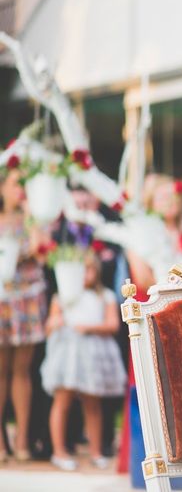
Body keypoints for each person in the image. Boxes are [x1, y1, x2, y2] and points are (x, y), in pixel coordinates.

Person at [40, 253, 125, 471]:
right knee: (62, 402)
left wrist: (89, 327)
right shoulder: (63, 298)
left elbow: (113, 325)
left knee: (93, 404)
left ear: (96, 271)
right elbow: (49, 327)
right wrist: (55, 321)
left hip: (93, 355)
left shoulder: (105, 296)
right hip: (67, 356)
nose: (85, 275)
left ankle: (95, 451)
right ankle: (59, 451)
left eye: (89, 270)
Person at [0, 169, 47, 462]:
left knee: (22, 370)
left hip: (27, 299)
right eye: (17, 184)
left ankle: (22, 440)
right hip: (1, 298)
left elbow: (41, 251)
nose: (21, 190)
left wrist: (31, 214)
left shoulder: (32, 220)